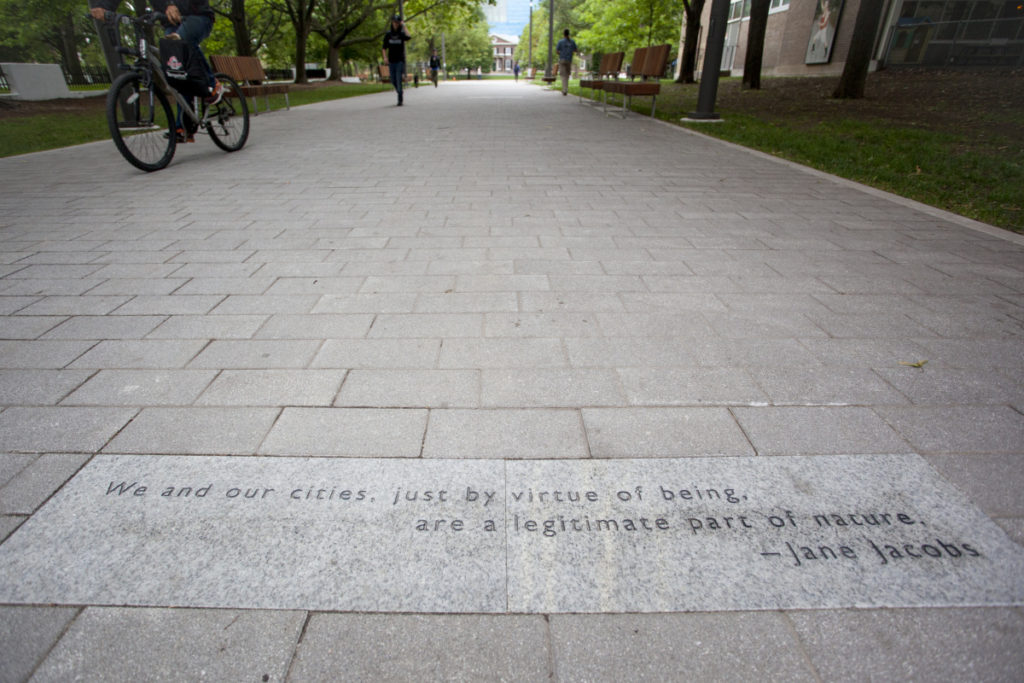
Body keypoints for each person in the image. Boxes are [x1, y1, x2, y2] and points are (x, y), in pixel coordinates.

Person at [90, 0, 222, 141]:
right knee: (175, 70)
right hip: (170, 21)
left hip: (197, 16)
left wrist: (171, 4)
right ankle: (183, 126)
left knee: (179, 42)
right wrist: (103, 7)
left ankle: (212, 84)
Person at [382, 14, 411, 106]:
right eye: (394, 22)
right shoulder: (388, 34)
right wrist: (385, 57)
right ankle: (400, 91)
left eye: (397, 22)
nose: (396, 24)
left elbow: (409, 36)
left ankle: (399, 98)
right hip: (391, 60)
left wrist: (404, 25)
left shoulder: (401, 34)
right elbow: (384, 48)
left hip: (399, 60)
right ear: (392, 22)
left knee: (398, 78)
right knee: (393, 79)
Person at [555, 29, 578, 96]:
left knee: (563, 75)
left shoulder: (560, 42)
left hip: (562, 59)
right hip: (569, 60)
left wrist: (561, 53)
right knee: (567, 75)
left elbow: (557, 51)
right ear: (568, 34)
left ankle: (564, 89)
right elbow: (576, 50)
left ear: (563, 34)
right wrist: (570, 52)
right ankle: (565, 89)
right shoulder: (572, 42)